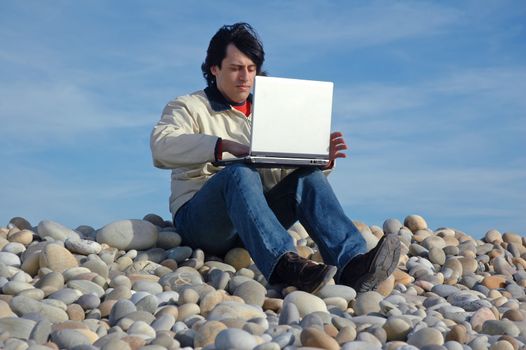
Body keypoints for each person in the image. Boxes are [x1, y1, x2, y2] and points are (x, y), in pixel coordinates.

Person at [150, 22, 401, 293]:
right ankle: (284, 265)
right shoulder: (188, 106)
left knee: (308, 176)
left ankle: (352, 264)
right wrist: (222, 146)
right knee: (240, 172)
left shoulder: (273, 111)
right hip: (203, 222)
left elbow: (286, 176)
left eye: (251, 69)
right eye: (235, 68)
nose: (245, 77)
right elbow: (161, 146)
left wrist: (318, 158)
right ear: (214, 69)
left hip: (256, 221)